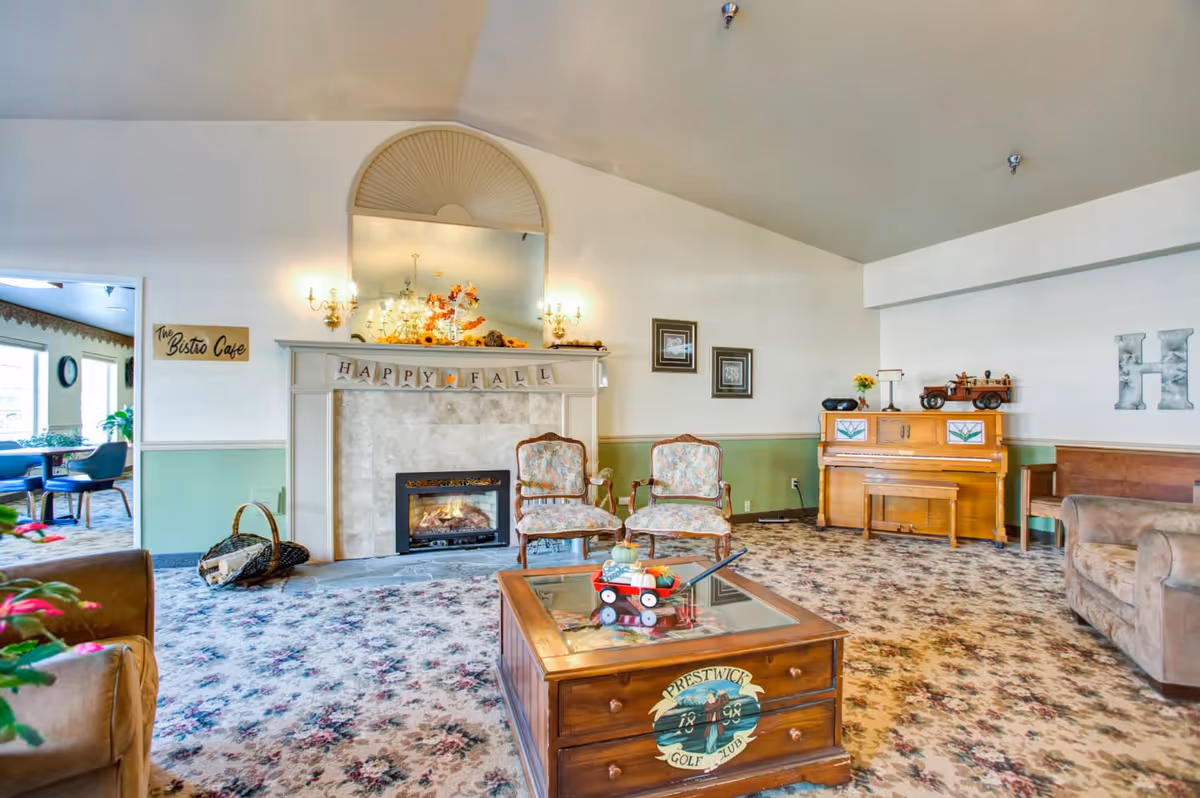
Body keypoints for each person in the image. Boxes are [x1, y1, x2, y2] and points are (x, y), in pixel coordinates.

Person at [703, 689, 730, 753]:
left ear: (714, 696)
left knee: (714, 740)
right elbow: (715, 707)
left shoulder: (718, 701)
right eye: (707, 697)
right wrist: (720, 696)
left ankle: (713, 752)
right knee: (710, 740)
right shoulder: (707, 704)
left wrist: (724, 694)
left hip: (716, 725)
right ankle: (708, 753)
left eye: (710, 697)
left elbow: (727, 700)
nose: (708, 698)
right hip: (710, 726)